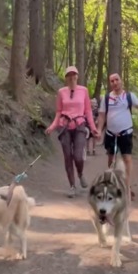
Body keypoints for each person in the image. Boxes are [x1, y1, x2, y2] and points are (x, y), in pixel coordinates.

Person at [46, 66, 99, 198]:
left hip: (80, 125)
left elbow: (88, 111)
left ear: (77, 76)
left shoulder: (84, 91)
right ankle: (72, 186)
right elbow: (58, 112)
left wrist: (93, 128)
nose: (71, 77)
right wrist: (52, 126)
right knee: (68, 157)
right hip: (64, 126)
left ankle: (80, 174)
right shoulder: (61, 92)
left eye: (73, 74)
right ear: (66, 78)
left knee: (78, 156)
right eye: (69, 75)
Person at [96, 73, 138, 200]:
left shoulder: (129, 96)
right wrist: (98, 130)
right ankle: (110, 184)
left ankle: (127, 187)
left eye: (116, 80)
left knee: (127, 159)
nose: (114, 82)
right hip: (110, 133)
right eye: (112, 81)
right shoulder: (107, 98)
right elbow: (102, 115)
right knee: (110, 159)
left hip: (125, 132)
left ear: (121, 81)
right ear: (110, 83)